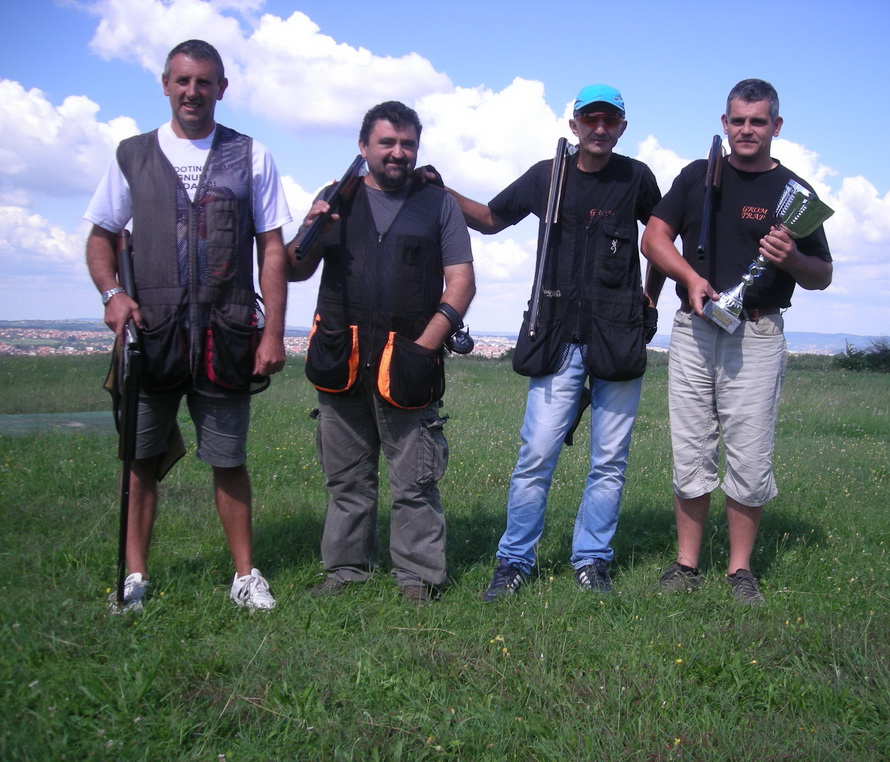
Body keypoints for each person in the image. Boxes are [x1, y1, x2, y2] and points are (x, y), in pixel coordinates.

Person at [434, 84, 684, 599]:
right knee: (537, 455)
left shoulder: (637, 178)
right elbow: (489, 219)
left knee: (609, 461)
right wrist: (441, 190)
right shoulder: (546, 176)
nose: (599, 128)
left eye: (609, 120)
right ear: (573, 125)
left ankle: (592, 560)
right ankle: (514, 560)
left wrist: (650, 299)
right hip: (556, 338)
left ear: (621, 127)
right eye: (589, 119)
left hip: (618, 335)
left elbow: (660, 239)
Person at [85, 40, 291, 611]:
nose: (192, 91)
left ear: (222, 88)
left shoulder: (252, 155)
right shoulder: (132, 154)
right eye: (182, 80)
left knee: (228, 458)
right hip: (151, 336)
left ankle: (245, 576)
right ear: (165, 84)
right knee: (140, 457)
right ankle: (134, 577)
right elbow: (102, 235)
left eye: (204, 82)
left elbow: (272, 249)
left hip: (225, 336)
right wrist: (113, 294)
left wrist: (272, 332)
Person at [643, 79, 833, 605]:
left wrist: (791, 259)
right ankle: (686, 565)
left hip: (758, 332)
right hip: (694, 328)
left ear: (776, 125)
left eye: (757, 121)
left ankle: (740, 571)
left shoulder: (796, 193)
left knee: (749, 454)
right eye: (737, 120)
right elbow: (653, 238)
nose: (746, 130)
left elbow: (823, 274)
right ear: (724, 124)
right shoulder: (698, 177)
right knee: (690, 448)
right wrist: (690, 278)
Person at [288, 101, 475, 604]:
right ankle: (346, 571)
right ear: (363, 146)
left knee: (415, 482)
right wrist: (310, 229)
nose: (398, 152)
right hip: (339, 358)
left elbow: (460, 281)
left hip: (408, 363)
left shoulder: (438, 204)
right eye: (387, 142)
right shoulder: (335, 198)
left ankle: (419, 578)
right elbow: (293, 268)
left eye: (407, 143)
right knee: (347, 479)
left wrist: (427, 343)